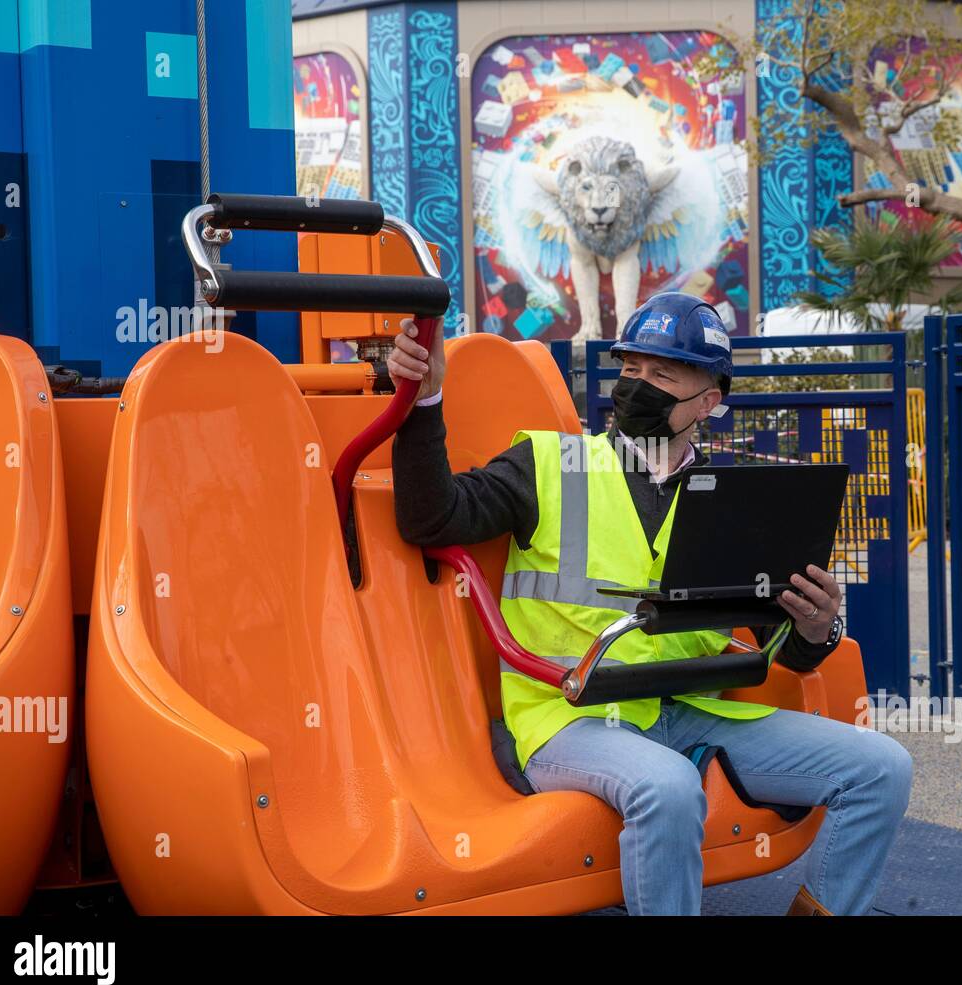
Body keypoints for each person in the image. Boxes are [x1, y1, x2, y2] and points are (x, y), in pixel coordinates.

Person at [387, 291, 912, 916]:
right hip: (569, 715)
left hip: (688, 706)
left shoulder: (737, 500)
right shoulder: (551, 463)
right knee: (668, 786)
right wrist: (424, 403)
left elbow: (787, 656)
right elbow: (431, 517)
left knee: (882, 766)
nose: (639, 385)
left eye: (663, 373)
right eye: (631, 369)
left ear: (709, 402)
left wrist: (818, 627)